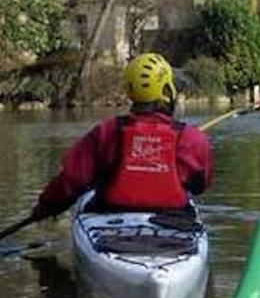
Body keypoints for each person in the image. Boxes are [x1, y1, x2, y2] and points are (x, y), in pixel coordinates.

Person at [32, 53, 213, 219]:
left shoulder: (105, 132)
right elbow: (199, 185)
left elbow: (71, 180)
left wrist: (45, 207)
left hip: (111, 216)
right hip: (173, 223)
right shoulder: (192, 138)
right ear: (167, 91)